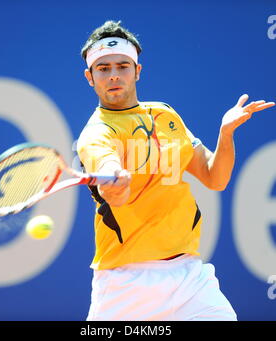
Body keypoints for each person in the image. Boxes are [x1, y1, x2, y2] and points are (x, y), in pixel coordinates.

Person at [76, 20, 275, 321]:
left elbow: (214, 177)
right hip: (126, 285)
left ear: (137, 71)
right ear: (90, 77)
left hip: (190, 278)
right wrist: (115, 179)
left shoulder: (166, 115)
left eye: (122, 66)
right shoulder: (96, 133)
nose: (114, 75)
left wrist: (226, 133)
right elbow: (111, 188)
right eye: (103, 69)